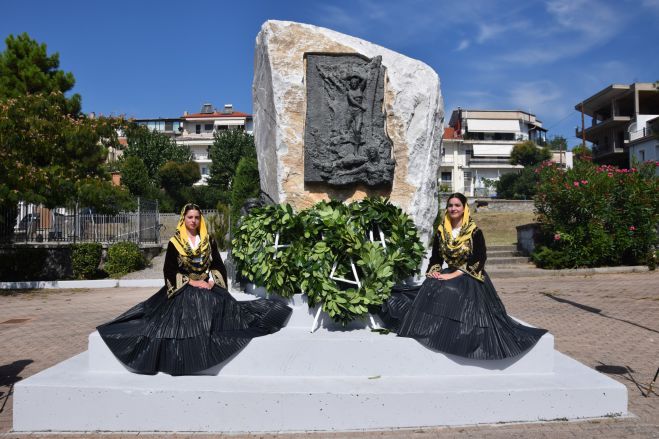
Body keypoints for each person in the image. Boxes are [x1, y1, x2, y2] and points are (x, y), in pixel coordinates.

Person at [97, 203, 292, 375]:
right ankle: (191, 350)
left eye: (197, 217)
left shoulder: (208, 240)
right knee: (193, 305)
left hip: (206, 284)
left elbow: (217, 265)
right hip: (184, 287)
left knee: (218, 303)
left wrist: (212, 281)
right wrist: (192, 283)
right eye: (190, 217)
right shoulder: (175, 242)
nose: (193, 220)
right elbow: (169, 270)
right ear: (184, 218)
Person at [380, 193, 546, 360]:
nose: (453, 208)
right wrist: (435, 271)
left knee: (450, 289)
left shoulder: (474, 232)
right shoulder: (441, 231)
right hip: (449, 272)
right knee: (430, 285)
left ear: (464, 208)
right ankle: (432, 329)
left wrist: (453, 275)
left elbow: (480, 258)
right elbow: (436, 258)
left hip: (470, 275)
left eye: (457, 205)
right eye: (450, 205)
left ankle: (456, 335)